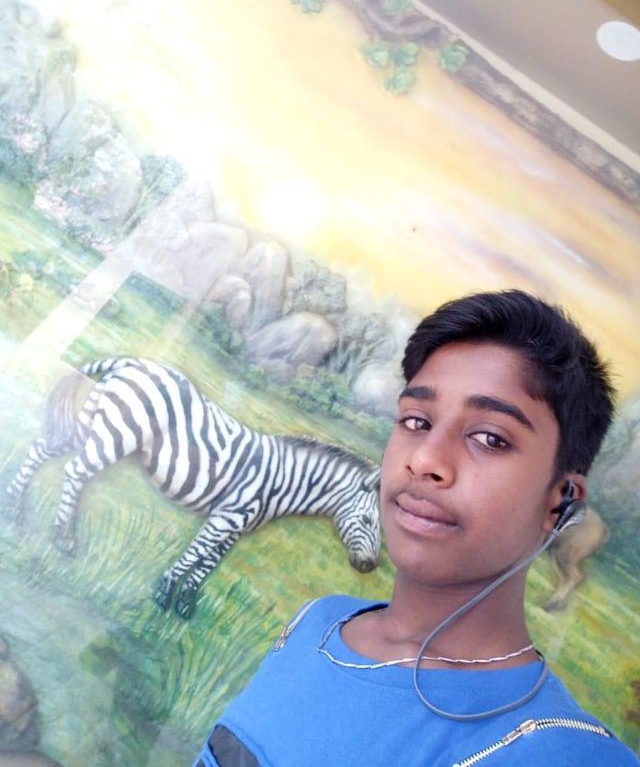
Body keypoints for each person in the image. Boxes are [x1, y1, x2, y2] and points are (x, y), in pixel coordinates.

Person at [194, 290, 639, 766]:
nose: (425, 459)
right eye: (416, 421)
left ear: (560, 502)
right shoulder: (318, 624)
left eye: (489, 438)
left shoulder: (565, 752)